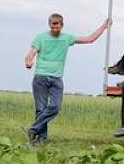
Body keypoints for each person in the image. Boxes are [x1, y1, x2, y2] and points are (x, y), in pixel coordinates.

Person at [25, 13, 109, 143]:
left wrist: (104, 26)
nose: (54, 29)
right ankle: (41, 140)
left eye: (57, 26)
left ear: (62, 25)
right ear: (49, 25)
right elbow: (30, 54)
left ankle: (33, 128)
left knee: (55, 107)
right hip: (40, 77)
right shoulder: (40, 37)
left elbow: (89, 39)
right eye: (52, 26)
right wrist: (29, 62)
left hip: (57, 78)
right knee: (40, 109)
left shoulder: (67, 38)